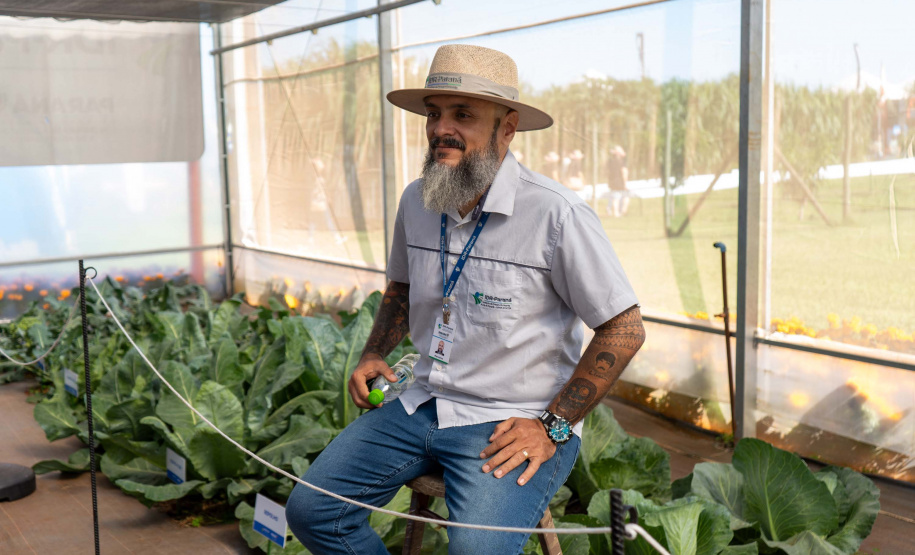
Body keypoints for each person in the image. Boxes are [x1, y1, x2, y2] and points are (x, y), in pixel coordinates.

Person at [286, 44, 644, 555]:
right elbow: (402, 287)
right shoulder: (417, 199)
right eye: (433, 114)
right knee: (313, 509)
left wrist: (553, 426)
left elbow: (624, 328)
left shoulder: (556, 215)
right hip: (420, 401)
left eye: (463, 115)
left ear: (508, 126)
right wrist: (373, 354)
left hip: (510, 420)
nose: (439, 128)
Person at [606, 145, 630, 217]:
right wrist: (625, 183)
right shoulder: (622, 162)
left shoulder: (610, 162)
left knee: (615, 199)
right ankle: (622, 211)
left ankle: (615, 213)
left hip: (613, 183)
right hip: (621, 183)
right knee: (626, 197)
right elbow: (624, 172)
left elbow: (607, 172)